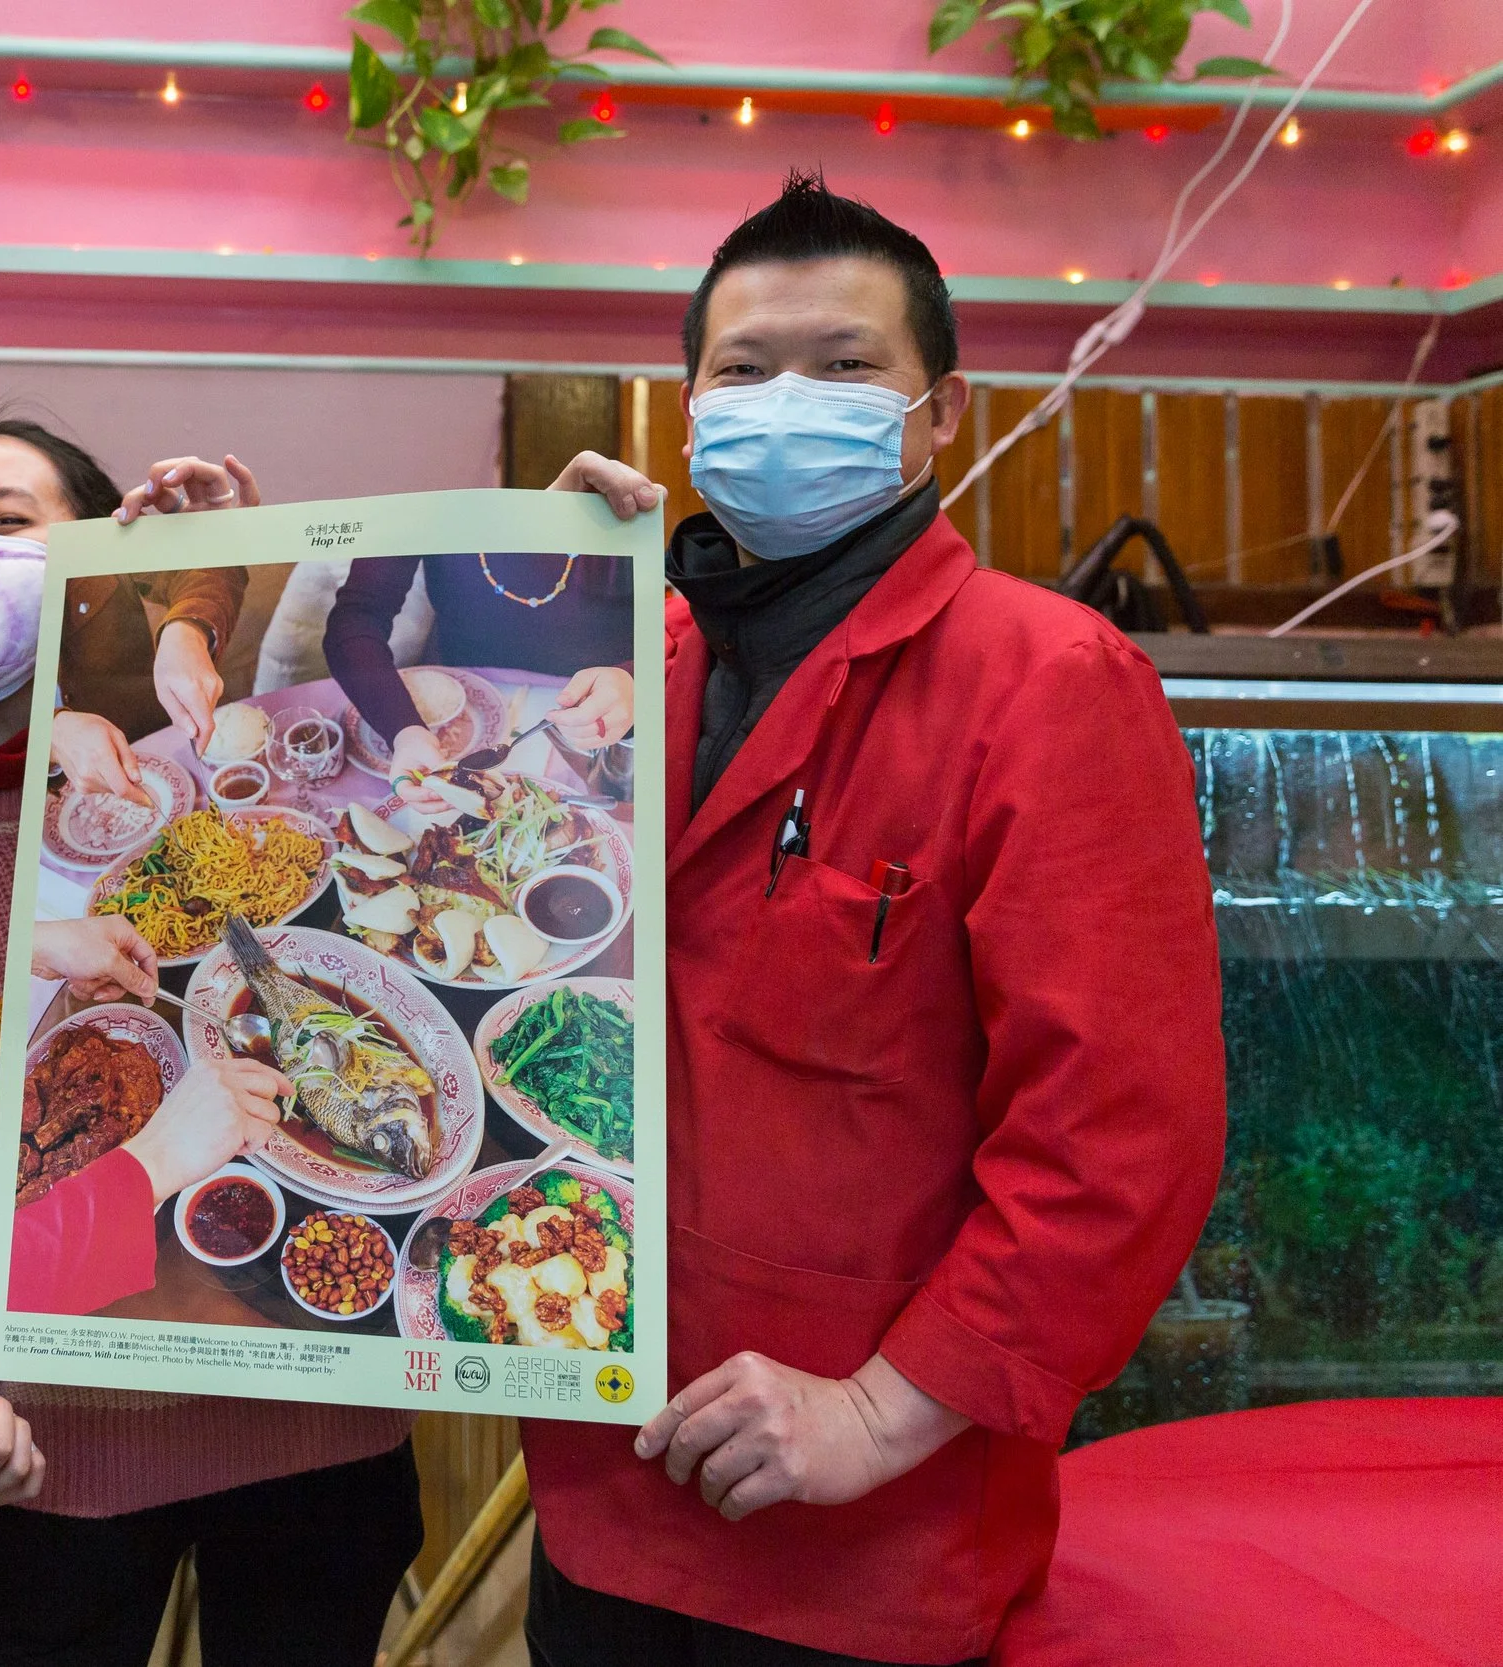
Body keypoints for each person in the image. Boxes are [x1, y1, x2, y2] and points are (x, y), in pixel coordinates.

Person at [522, 171, 1226, 1665]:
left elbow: (1118, 1134)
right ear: (689, 404)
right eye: (745, 368)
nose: (789, 401)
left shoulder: (1049, 682)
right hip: (600, 1479)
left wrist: (882, 1405)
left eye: (845, 369)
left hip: (870, 1537)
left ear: (943, 409)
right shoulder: (629, 663)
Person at [0, 425, 422, 1666]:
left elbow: (241, 642)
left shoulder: (228, 803)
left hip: (324, 1441)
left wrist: (210, 567)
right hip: (56, 1462)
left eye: (5, 521)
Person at [0, 418, 252, 807]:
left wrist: (188, 629)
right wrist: (53, 735)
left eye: (7, 520)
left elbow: (200, 576)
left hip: (160, 789)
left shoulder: (98, 574)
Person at [324, 551, 637, 808]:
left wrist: (632, 677)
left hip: (599, 714)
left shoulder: (616, 496)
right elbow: (355, 618)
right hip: (465, 708)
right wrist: (405, 731)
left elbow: (670, 621)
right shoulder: (429, 493)